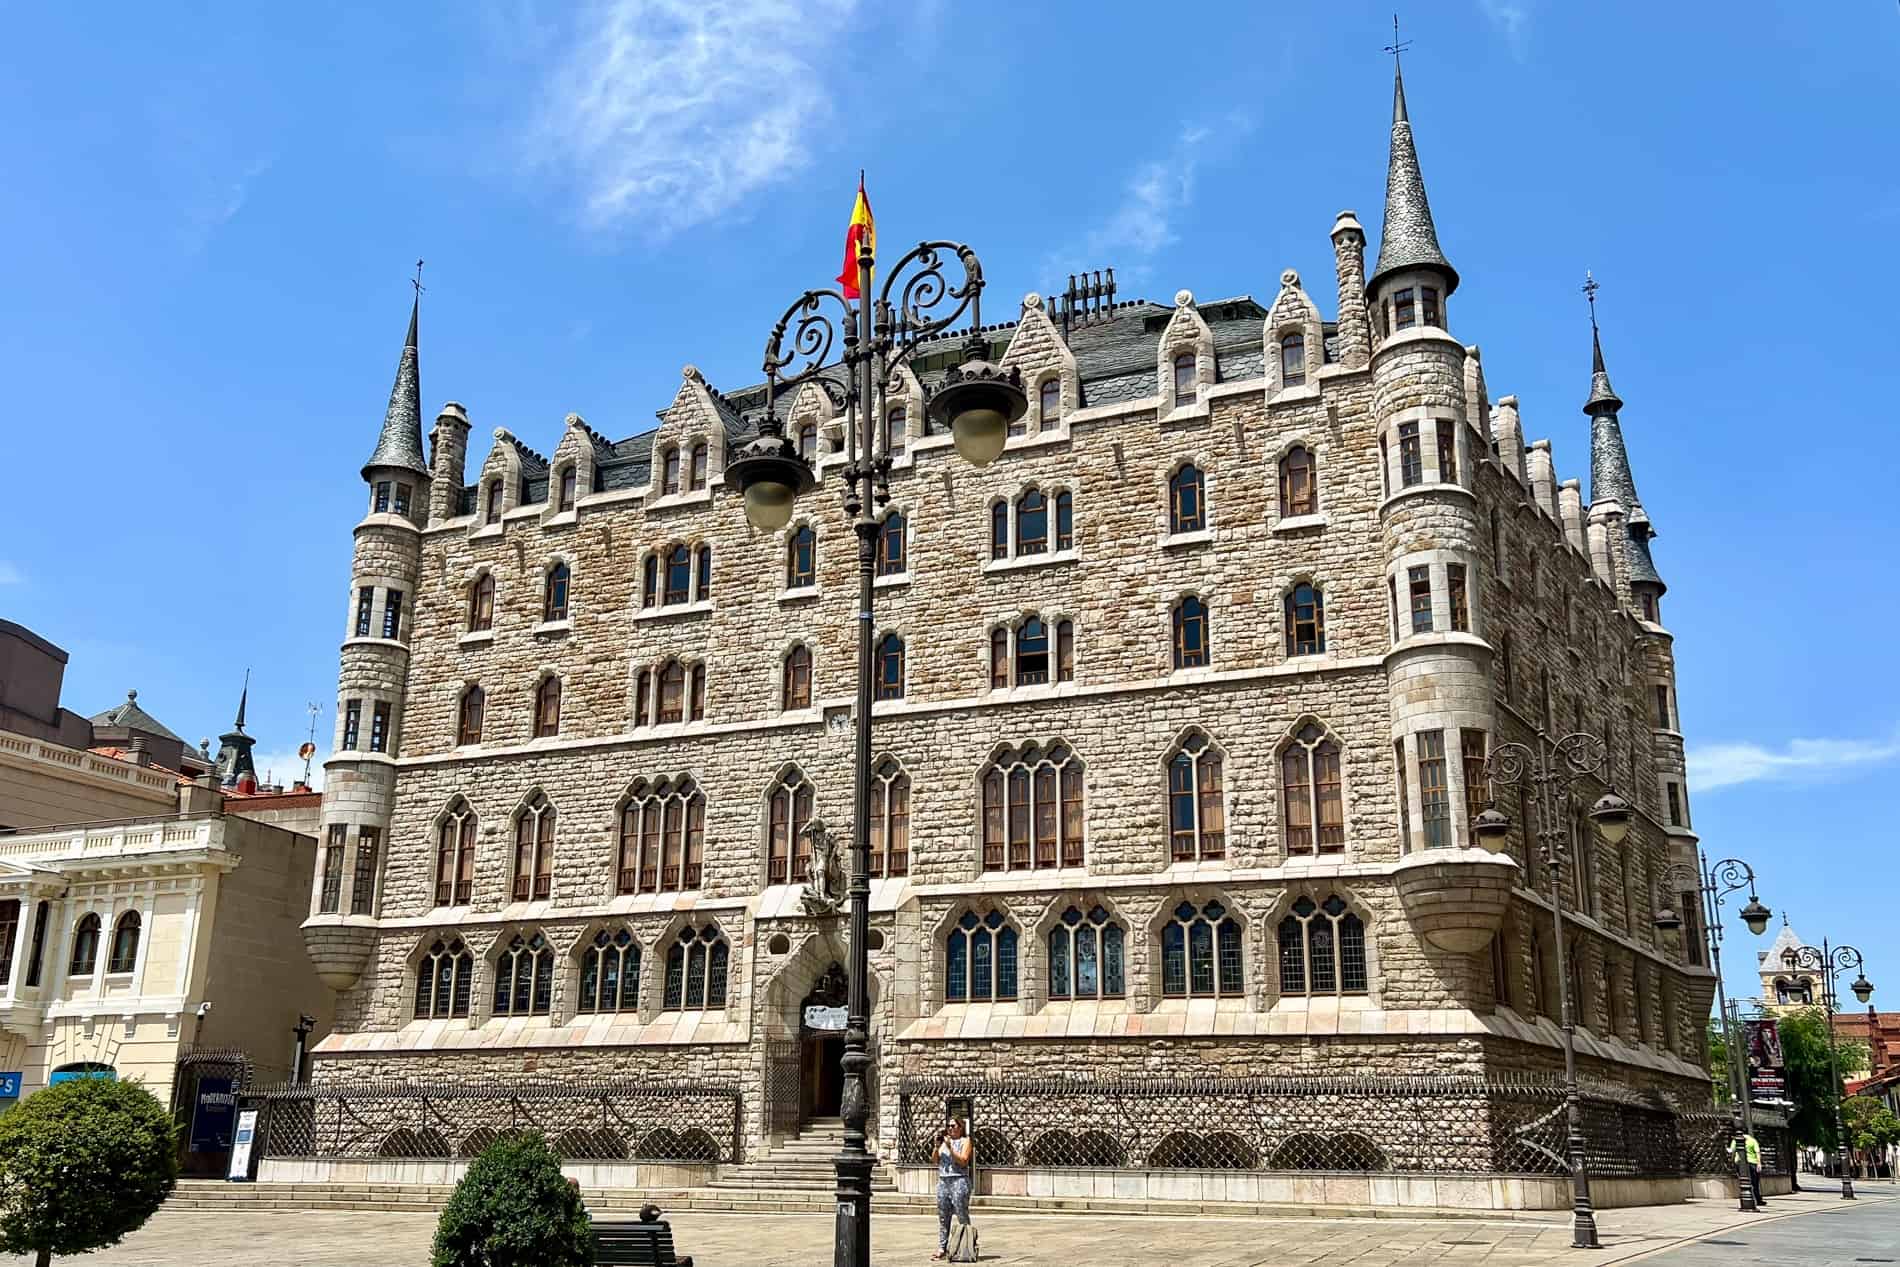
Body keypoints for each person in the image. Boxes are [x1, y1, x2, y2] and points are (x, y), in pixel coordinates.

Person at [933, 1114, 975, 1262]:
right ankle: (942, 1247)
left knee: (961, 1214)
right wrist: (937, 1147)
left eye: (953, 1126)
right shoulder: (944, 1143)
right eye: (948, 1126)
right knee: (943, 1217)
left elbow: (963, 1161)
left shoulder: (966, 1141)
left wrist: (951, 1148)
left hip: (959, 1180)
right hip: (944, 1181)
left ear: (960, 1127)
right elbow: (935, 1160)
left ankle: (967, 1246)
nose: (950, 1129)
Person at [1731, 1130, 1764, 1208]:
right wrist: (1759, 1163)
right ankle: (1757, 1199)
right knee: (1755, 1182)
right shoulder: (1753, 1140)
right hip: (1753, 1163)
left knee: (1743, 1182)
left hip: (1740, 1163)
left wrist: (1732, 1161)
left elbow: (1733, 1151)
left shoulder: (1735, 1140)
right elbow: (1757, 1152)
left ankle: (1745, 1197)